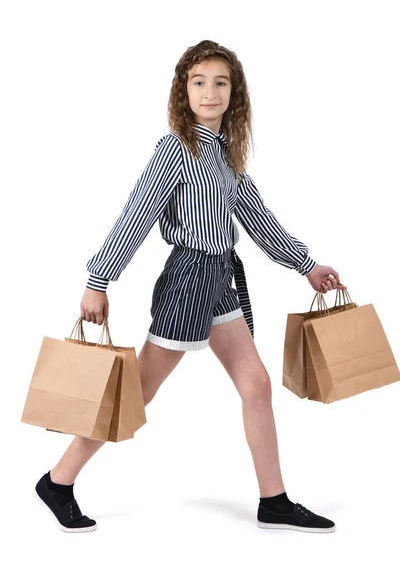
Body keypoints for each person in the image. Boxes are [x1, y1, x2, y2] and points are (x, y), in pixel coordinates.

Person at [34, 40, 346, 533]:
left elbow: (257, 217)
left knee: (257, 385)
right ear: (184, 90)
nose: (210, 91)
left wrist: (305, 265)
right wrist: (98, 280)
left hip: (222, 276)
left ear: (233, 93)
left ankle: (275, 501)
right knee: (137, 392)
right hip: (188, 280)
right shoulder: (176, 149)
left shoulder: (225, 155)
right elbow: (137, 213)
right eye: (199, 82)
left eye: (220, 82)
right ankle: (58, 481)